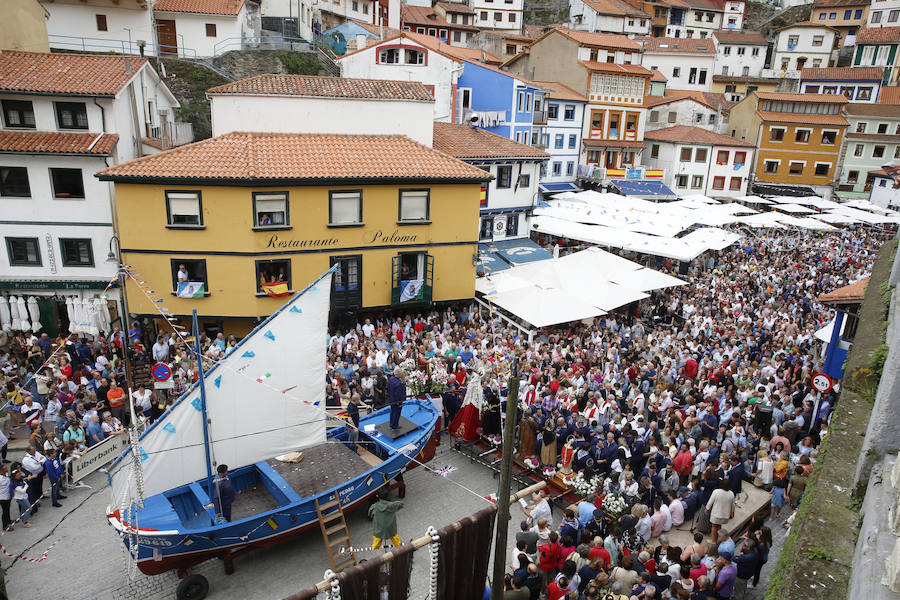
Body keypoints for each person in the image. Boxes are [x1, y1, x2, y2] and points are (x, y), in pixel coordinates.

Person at [705, 480, 735, 545]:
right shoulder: (731, 494)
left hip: (716, 514)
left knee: (714, 527)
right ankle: (719, 539)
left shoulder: (716, 492)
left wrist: (707, 508)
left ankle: (713, 541)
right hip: (725, 515)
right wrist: (732, 513)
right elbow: (733, 506)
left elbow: (710, 502)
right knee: (719, 526)